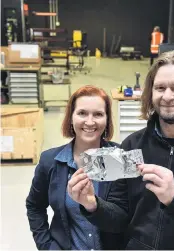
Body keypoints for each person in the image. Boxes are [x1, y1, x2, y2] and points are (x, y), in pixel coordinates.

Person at [68, 51, 174, 250]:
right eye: (160, 88)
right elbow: (120, 218)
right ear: (150, 93)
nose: (167, 96)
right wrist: (92, 204)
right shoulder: (132, 145)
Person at [26, 85, 123, 250]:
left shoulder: (118, 159)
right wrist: (47, 246)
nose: (90, 121)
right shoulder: (51, 161)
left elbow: (125, 217)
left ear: (107, 120)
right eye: (82, 113)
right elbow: (34, 206)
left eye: (98, 114)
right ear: (71, 117)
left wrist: (93, 205)